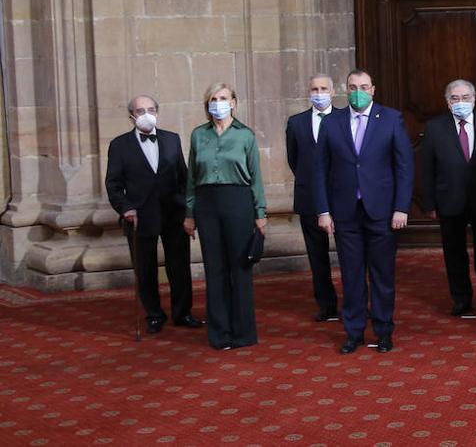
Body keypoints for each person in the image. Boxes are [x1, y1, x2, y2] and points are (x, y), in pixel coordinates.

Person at [314, 69, 414, 355]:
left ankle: (383, 331)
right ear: (346, 90)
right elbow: (321, 169)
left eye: (363, 86)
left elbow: (404, 167)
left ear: (373, 90)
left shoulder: (391, 119)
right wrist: (323, 210)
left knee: (382, 275)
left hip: (382, 211)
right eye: (352, 86)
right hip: (345, 211)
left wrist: (400, 207)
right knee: (351, 275)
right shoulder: (332, 122)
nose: (357, 91)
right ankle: (353, 332)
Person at [105, 94, 202, 334]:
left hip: (173, 212)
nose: (146, 114)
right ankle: (154, 314)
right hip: (139, 215)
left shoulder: (172, 139)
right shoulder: (119, 145)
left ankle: (182, 313)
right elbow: (113, 184)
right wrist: (125, 207)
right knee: (145, 269)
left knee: (179, 266)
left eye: (150, 109)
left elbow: (184, 177)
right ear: (132, 116)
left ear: (157, 112)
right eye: (140, 111)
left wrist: (189, 210)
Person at [185, 83, 266, 350]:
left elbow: (255, 177)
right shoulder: (198, 135)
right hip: (206, 204)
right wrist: (189, 213)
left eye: (222, 98)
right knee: (215, 269)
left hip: (238, 201)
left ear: (233, 102)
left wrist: (260, 212)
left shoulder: (246, 136)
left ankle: (243, 332)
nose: (217, 102)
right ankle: (219, 334)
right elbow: (191, 179)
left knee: (240, 268)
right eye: (212, 99)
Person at [420, 79, 476, 317]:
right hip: (449, 199)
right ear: (447, 102)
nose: (461, 102)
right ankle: (461, 298)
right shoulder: (435, 128)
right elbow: (427, 168)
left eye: (466, 97)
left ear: (474, 99)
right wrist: (429, 202)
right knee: (454, 253)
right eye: (455, 98)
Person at [284, 74, 339, 322]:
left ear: (333, 91)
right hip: (309, 197)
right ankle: (326, 305)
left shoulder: (344, 118)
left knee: (351, 254)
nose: (319, 93)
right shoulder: (296, 123)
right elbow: (294, 160)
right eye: (314, 89)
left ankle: (357, 304)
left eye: (323, 88)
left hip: (342, 196)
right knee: (317, 256)